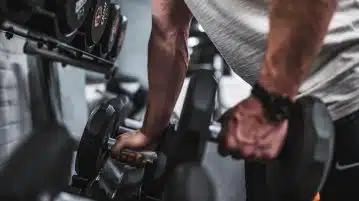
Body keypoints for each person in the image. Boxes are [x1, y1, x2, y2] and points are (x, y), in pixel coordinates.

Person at [111, 0, 359, 200]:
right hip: (287, 116)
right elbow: (168, 31)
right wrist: (152, 129)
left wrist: (270, 105)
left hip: (346, 99)